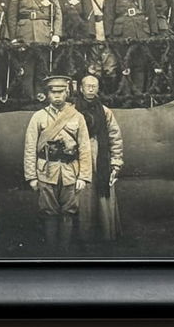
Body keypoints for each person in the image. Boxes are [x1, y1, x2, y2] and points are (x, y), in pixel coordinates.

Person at [22, 76, 93, 254]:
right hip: (46, 172)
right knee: (48, 212)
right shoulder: (38, 117)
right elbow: (30, 148)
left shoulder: (77, 117)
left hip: (70, 172)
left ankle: (64, 252)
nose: (57, 96)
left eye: (61, 92)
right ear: (47, 94)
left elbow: (85, 148)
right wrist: (31, 177)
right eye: (53, 92)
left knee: (69, 211)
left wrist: (83, 176)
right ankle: (51, 253)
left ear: (67, 92)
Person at [74, 75, 123, 243]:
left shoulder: (105, 111)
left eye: (94, 86)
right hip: (79, 157)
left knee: (102, 195)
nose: (90, 89)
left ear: (98, 88)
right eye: (87, 86)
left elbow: (115, 138)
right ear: (81, 88)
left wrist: (116, 163)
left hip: (101, 157)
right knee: (83, 195)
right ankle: (83, 236)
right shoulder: (73, 110)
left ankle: (104, 234)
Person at [10, 0, 61, 101]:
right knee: (26, 69)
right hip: (24, 34)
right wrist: (13, 37)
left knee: (42, 68)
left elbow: (57, 13)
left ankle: (41, 98)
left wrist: (56, 34)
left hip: (43, 32)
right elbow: (12, 15)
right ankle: (27, 99)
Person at [102, 0, 154, 95]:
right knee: (124, 65)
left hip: (140, 31)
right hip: (122, 32)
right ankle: (126, 96)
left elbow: (151, 11)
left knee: (140, 65)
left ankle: (139, 95)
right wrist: (108, 34)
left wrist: (153, 32)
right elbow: (109, 13)